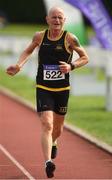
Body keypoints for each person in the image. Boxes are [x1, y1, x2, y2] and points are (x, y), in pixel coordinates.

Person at [6, 7, 89, 178]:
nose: (57, 21)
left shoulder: (70, 38)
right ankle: (48, 162)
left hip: (62, 89)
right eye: (54, 18)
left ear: (64, 20)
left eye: (60, 18)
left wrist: (71, 66)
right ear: (47, 19)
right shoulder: (39, 36)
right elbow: (28, 50)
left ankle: (54, 141)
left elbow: (85, 57)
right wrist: (19, 65)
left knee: (57, 129)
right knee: (47, 124)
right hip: (43, 88)